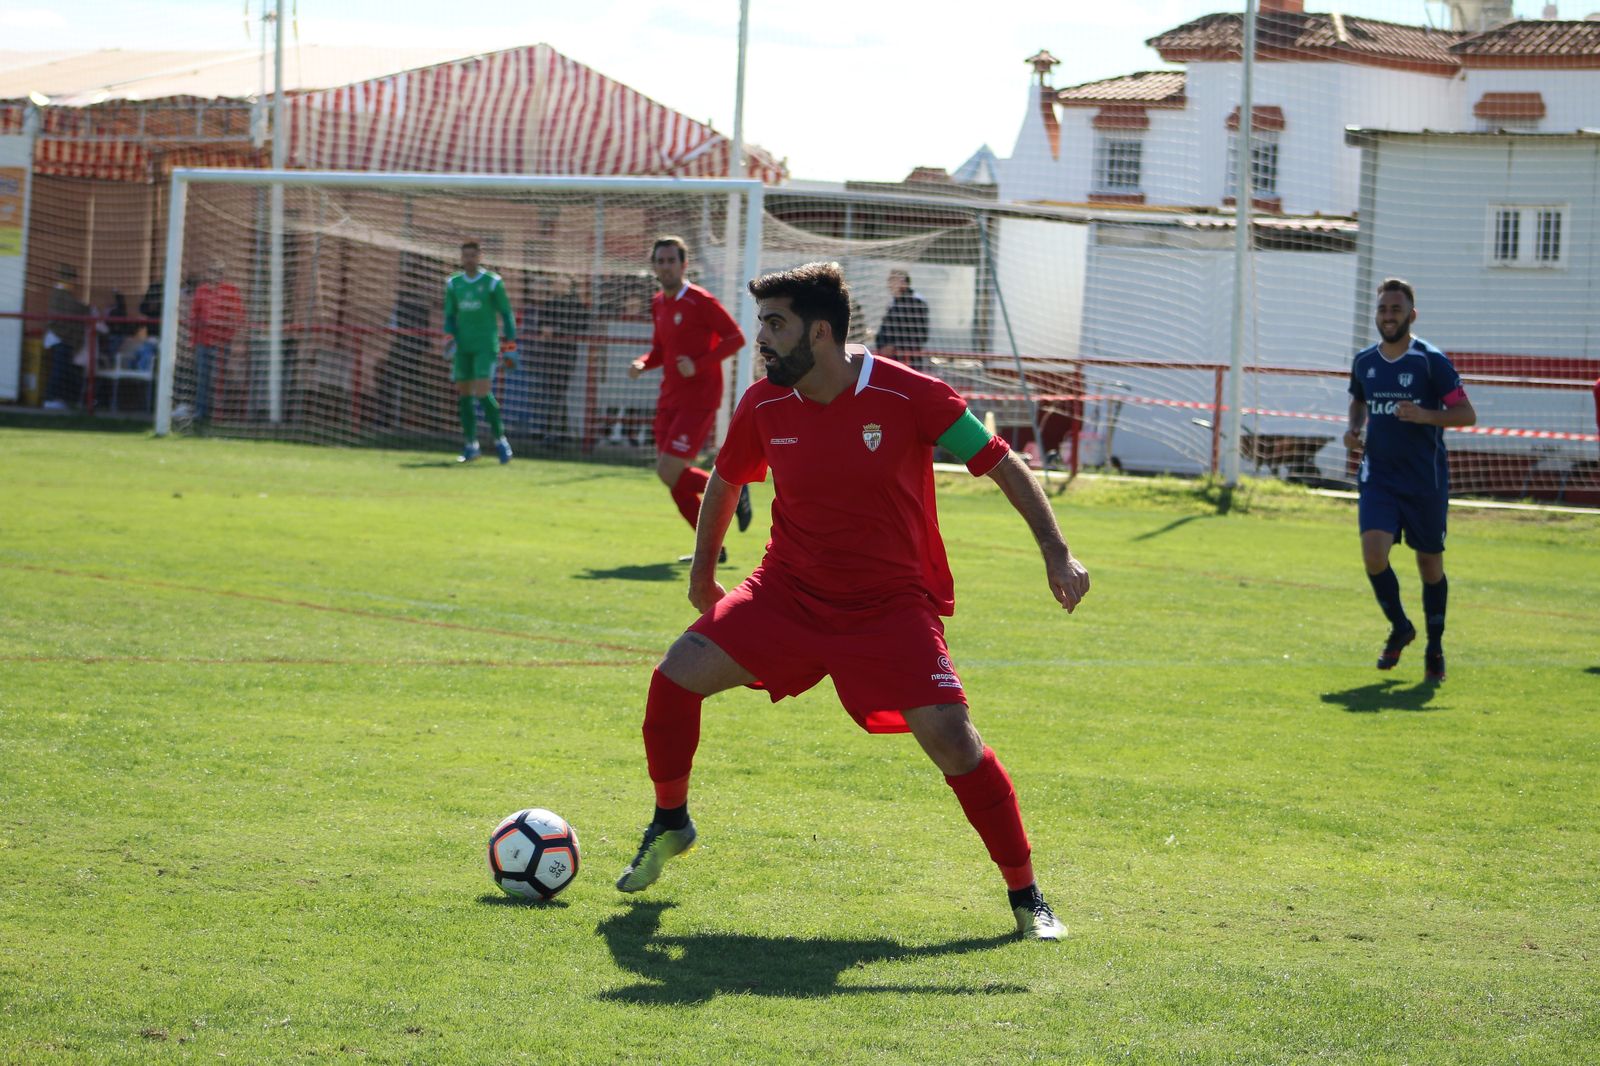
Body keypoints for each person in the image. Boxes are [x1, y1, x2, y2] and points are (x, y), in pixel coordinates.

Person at [614, 262, 1091, 941]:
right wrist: (701, 576)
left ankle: (1027, 897)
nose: (763, 342)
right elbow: (724, 482)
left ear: (821, 332)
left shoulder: (908, 395)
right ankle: (670, 821)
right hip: (787, 593)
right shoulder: (763, 402)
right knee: (672, 681)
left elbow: (1000, 460)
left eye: (775, 326)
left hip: (890, 607)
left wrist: (1055, 550)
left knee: (955, 743)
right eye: (761, 326)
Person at [1344, 278, 1477, 683]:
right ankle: (1401, 626)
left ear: (1411, 315)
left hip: (1424, 480)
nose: (1388, 316)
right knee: (1372, 553)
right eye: (1383, 309)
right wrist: (1353, 430)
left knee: (1429, 564)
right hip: (1379, 475)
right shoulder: (1364, 361)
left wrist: (1426, 415)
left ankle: (1434, 647)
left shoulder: (1429, 360)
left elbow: (1466, 414)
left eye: (1396, 310)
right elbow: (1358, 400)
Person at [628, 236, 752, 549]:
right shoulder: (659, 302)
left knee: (668, 471)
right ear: (654, 266)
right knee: (674, 481)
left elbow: (736, 338)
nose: (666, 266)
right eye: (661, 261)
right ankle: (711, 549)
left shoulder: (700, 300)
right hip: (669, 397)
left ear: (684, 265)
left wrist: (698, 365)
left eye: (672, 260)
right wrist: (643, 363)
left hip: (699, 398)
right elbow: (660, 350)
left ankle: (733, 488)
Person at [443, 239, 517, 463]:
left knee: (483, 392)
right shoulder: (454, 283)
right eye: (466, 256)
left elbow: (506, 314)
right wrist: (449, 338)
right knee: (464, 394)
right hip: (463, 347)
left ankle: (500, 440)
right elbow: (449, 316)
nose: (469, 259)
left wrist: (511, 345)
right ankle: (471, 445)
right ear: (461, 258)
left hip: (486, 345)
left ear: (480, 256)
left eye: (473, 255)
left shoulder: (493, 282)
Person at [525, 275, 588, 441]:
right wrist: (547, 331)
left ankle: (556, 431)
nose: (559, 286)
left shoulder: (576, 305)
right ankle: (549, 430)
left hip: (566, 355)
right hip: (549, 355)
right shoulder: (549, 304)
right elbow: (543, 327)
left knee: (559, 393)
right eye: (557, 283)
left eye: (563, 283)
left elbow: (582, 324)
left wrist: (558, 329)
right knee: (548, 392)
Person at [189, 261, 244, 421]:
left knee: (220, 378)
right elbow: (194, 316)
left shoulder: (230, 291)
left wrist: (227, 331)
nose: (215, 274)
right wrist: (193, 340)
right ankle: (201, 411)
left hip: (221, 343)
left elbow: (238, 316)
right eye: (212, 271)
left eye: (218, 271)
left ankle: (219, 413)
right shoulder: (201, 291)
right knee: (202, 377)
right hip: (203, 342)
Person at [44, 265, 90, 410]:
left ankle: (58, 398)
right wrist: (86, 309)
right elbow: (72, 310)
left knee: (64, 370)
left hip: (63, 338)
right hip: (59, 337)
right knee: (58, 370)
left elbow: (77, 308)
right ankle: (50, 399)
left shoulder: (66, 294)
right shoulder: (60, 293)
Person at [875, 269, 930, 374]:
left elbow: (919, 334)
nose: (890, 284)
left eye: (893, 280)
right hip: (892, 359)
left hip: (907, 360)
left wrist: (894, 346)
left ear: (904, 282)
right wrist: (881, 345)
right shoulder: (893, 304)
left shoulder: (916, 302)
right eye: (890, 280)